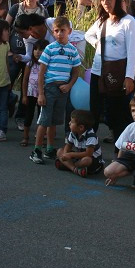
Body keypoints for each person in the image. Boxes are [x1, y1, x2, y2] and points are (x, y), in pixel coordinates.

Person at [84, 0, 135, 138]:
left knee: (117, 112)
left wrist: (129, 77)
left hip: (117, 73)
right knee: (94, 110)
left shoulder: (128, 22)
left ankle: (118, 149)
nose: (105, 2)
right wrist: (97, 44)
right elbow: (88, 35)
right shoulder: (102, 20)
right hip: (98, 71)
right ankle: (89, 144)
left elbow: (131, 50)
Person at [30, 16, 82, 164]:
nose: (60, 34)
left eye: (63, 31)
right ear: (53, 32)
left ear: (69, 31)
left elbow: (76, 71)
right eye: (57, 31)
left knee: (54, 121)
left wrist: (69, 85)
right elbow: (41, 72)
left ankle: (50, 148)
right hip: (50, 89)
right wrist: (41, 93)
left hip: (63, 90)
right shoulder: (50, 49)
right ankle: (37, 149)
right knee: (44, 121)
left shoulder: (72, 50)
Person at [57, 110, 104, 177]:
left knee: (86, 160)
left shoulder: (91, 136)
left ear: (81, 127)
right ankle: (75, 169)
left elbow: (88, 154)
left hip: (93, 161)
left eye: (72, 122)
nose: (69, 123)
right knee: (59, 151)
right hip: (79, 157)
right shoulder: (73, 132)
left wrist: (70, 155)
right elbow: (68, 145)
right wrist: (65, 154)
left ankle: (67, 165)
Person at [20, 40, 47, 147]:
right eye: (35, 49)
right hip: (31, 93)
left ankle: (40, 137)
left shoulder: (47, 64)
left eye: (41, 49)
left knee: (42, 116)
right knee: (29, 115)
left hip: (43, 93)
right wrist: (24, 95)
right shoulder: (30, 64)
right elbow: (25, 80)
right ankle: (25, 137)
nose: (37, 52)